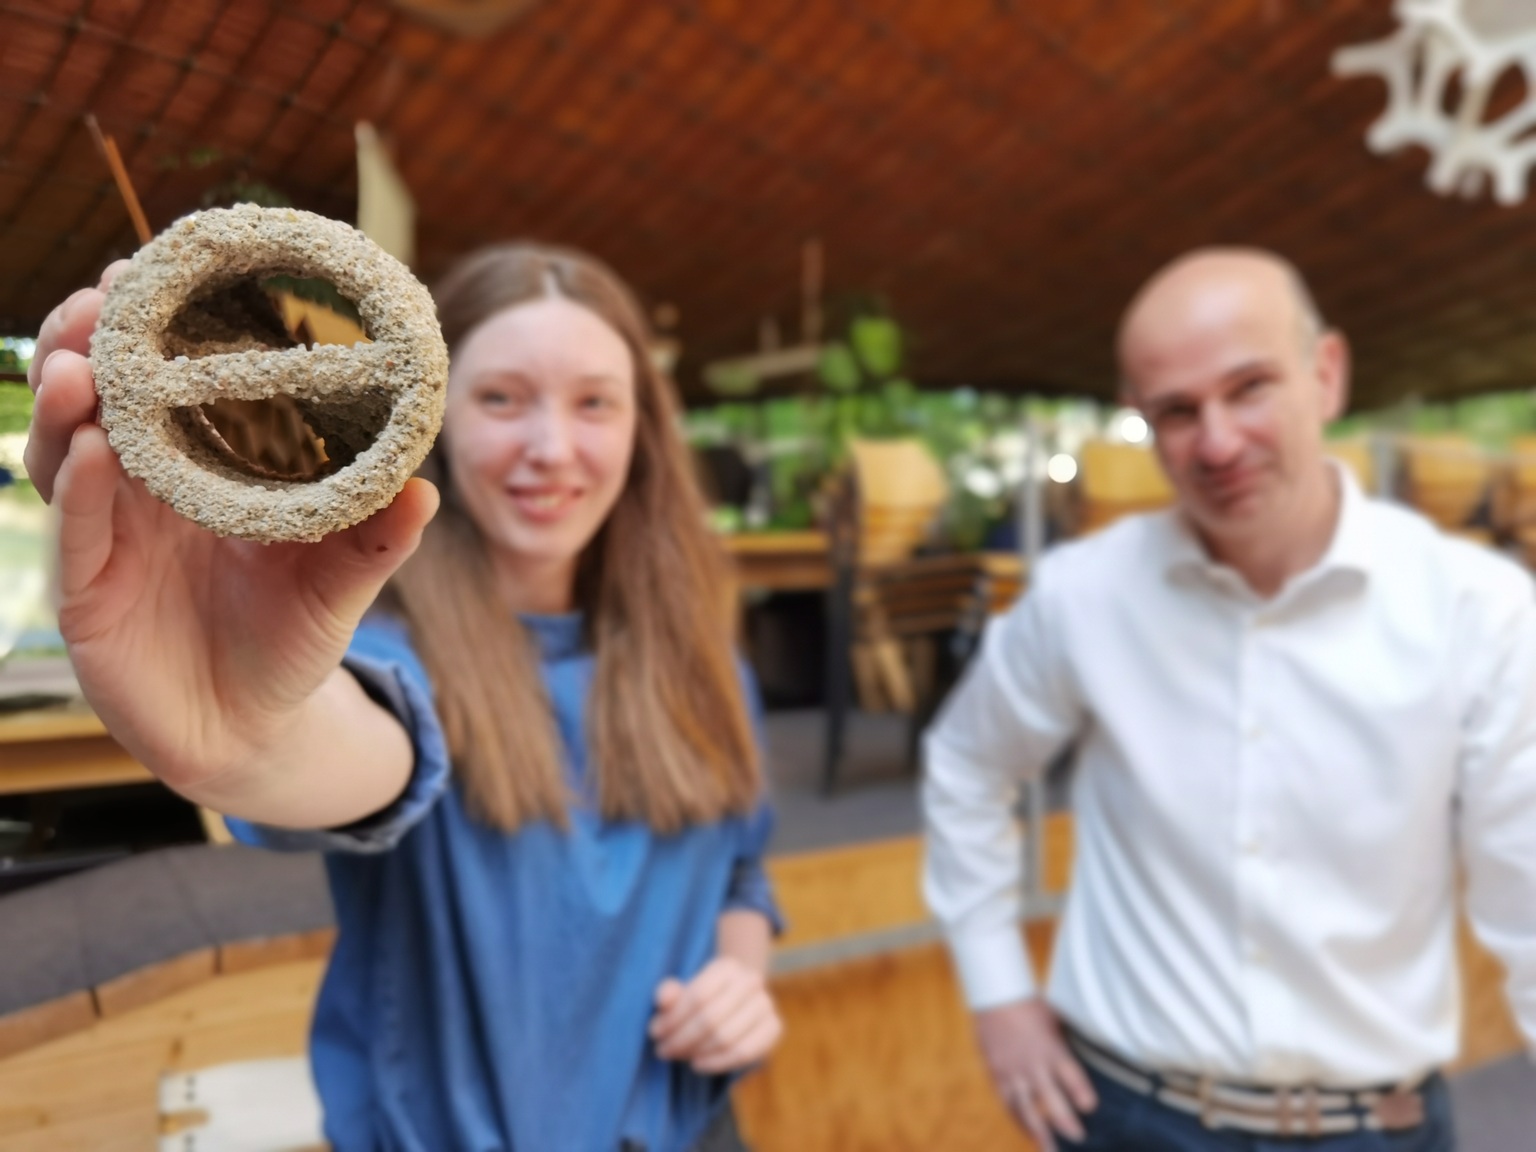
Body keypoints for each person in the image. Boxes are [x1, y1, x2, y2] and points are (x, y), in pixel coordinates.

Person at [27, 242, 783, 1151]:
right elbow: (361, 746)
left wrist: (742, 977)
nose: (551, 449)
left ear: (642, 430)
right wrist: (254, 738)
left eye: (594, 402)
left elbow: (742, 871)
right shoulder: (382, 644)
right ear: (438, 415)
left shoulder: (702, 658)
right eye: (502, 399)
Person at [922, 247, 1536, 1151]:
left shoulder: (1479, 611)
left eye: (1249, 389)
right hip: (1128, 1117)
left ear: (1327, 375)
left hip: (1378, 1128)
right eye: (1177, 412)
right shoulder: (1084, 597)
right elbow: (966, 766)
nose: (1216, 444)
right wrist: (998, 994)